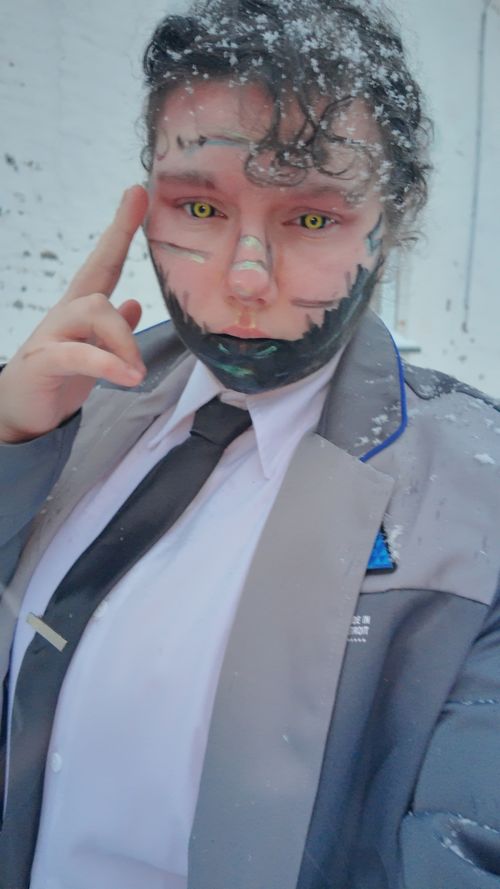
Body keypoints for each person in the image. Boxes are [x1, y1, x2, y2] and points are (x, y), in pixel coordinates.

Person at [0, 0, 499, 886]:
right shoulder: (69, 403)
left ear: (393, 221)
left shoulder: (478, 501)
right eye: (199, 206)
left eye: (312, 219)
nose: (245, 277)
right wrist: (10, 447)